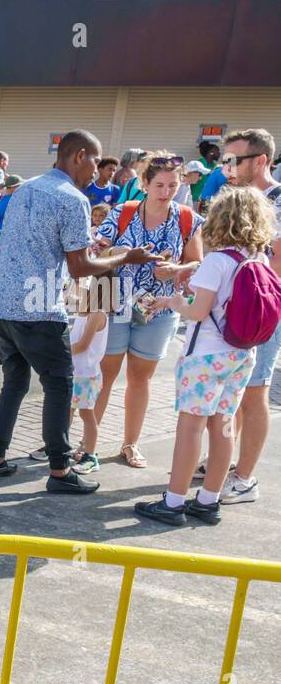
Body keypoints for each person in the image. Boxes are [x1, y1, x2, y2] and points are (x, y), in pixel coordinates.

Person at [0, 129, 161, 493]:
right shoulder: (72, 199)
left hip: (1, 303)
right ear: (78, 156)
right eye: (95, 161)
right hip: (39, 308)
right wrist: (128, 255)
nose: (98, 171)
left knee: (15, 382)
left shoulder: (25, 189)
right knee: (60, 384)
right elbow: (80, 267)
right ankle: (61, 471)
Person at [135, 186, 277, 526]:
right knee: (224, 425)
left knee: (190, 426)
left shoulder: (218, 261)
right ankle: (209, 500)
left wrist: (172, 301)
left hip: (206, 356)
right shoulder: (257, 258)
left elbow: (197, 312)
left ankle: (173, 502)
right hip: (241, 354)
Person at [91, 153, 204, 469]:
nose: (166, 192)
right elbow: (96, 252)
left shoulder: (186, 218)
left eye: (172, 185)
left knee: (140, 379)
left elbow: (198, 262)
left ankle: (130, 444)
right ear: (144, 184)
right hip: (114, 306)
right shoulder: (123, 212)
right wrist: (127, 255)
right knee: (105, 375)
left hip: (159, 311)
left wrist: (177, 269)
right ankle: (88, 445)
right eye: (159, 185)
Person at [195, 128, 281, 504]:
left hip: (260, 311)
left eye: (235, 160)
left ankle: (244, 478)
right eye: (225, 160)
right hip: (232, 309)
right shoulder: (239, 198)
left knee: (255, 390)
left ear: (261, 161)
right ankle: (224, 462)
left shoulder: (277, 201)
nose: (226, 167)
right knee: (235, 391)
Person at [69, 303, 109, 474]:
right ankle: (57, 446)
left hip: (86, 375)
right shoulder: (83, 312)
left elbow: (83, 345)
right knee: (67, 411)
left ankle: (90, 456)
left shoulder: (97, 313)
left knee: (86, 414)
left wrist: (59, 351)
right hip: (75, 372)